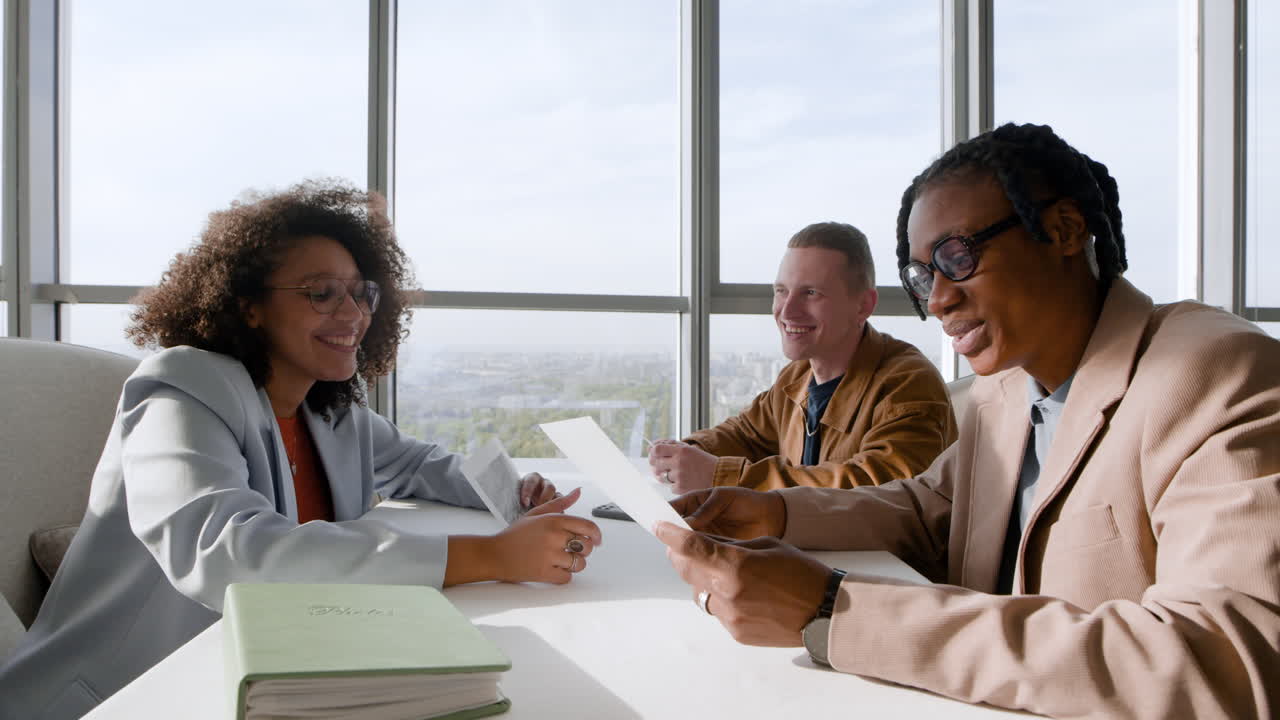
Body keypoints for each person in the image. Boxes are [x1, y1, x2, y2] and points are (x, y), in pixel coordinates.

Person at [655, 123, 1280, 719]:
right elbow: (929, 509)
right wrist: (777, 513)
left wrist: (833, 610)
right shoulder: (1003, 390)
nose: (938, 299)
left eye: (958, 257)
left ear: (1064, 229)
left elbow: (1221, 660)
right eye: (924, 275)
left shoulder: (1215, 372)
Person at [0, 180, 603, 720]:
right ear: (249, 306)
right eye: (320, 293)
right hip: (127, 693)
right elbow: (228, 553)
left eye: (361, 292)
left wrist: (513, 497)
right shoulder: (181, 392)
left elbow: (419, 465)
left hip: (271, 674)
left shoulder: (329, 409)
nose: (353, 314)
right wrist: (489, 557)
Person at [648, 222, 956, 493]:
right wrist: (685, 453)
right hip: (813, 553)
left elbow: (874, 488)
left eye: (811, 293)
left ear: (863, 305)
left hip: (879, 560)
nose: (787, 310)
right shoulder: (796, 376)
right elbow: (744, 435)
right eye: (782, 291)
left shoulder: (909, 385)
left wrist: (720, 475)